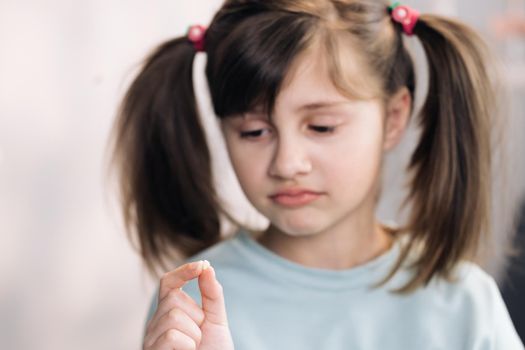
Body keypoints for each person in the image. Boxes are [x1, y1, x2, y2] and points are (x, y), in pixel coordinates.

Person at [109, 1, 524, 349]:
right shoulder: (193, 306)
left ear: (394, 118)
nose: (287, 163)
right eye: (254, 132)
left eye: (321, 127)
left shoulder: (464, 302)